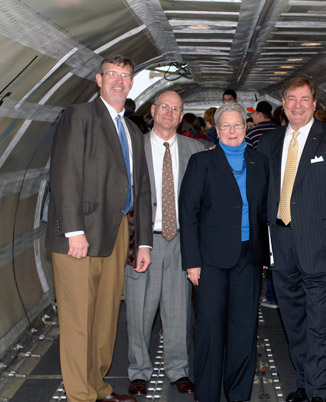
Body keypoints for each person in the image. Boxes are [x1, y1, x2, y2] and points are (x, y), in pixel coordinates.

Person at [46, 55, 152, 402]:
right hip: (81, 233)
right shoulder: (79, 117)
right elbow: (64, 175)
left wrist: (144, 243)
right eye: (112, 75)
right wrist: (73, 230)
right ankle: (80, 395)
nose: (119, 81)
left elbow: (142, 188)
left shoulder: (133, 130)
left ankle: (98, 387)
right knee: (78, 321)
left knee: (105, 318)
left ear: (132, 83)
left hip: (118, 231)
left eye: (125, 76)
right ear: (98, 79)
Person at [257, 77, 326, 402]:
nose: (297, 105)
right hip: (282, 247)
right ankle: (302, 383)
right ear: (283, 104)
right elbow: (262, 195)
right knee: (294, 322)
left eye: (304, 99)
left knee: (322, 325)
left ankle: (317, 391)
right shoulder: (270, 144)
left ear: (314, 103)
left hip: (323, 248)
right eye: (291, 99)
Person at [179, 102, 269, 402]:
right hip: (210, 260)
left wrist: (266, 254)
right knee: (209, 330)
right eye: (226, 126)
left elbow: (264, 211)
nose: (232, 131)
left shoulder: (260, 162)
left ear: (247, 128)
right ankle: (206, 395)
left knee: (244, 331)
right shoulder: (201, 163)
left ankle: (239, 394)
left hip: (249, 257)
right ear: (216, 130)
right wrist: (192, 261)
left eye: (238, 125)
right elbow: (188, 215)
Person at [124, 91, 206, 397]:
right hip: (145, 240)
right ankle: (139, 371)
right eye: (164, 107)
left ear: (182, 115)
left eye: (176, 109)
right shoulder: (135, 148)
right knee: (138, 311)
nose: (169, 113)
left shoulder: (194, 149)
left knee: (179, 310)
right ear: (153, 111)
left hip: (181, 240)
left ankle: (178, 369)